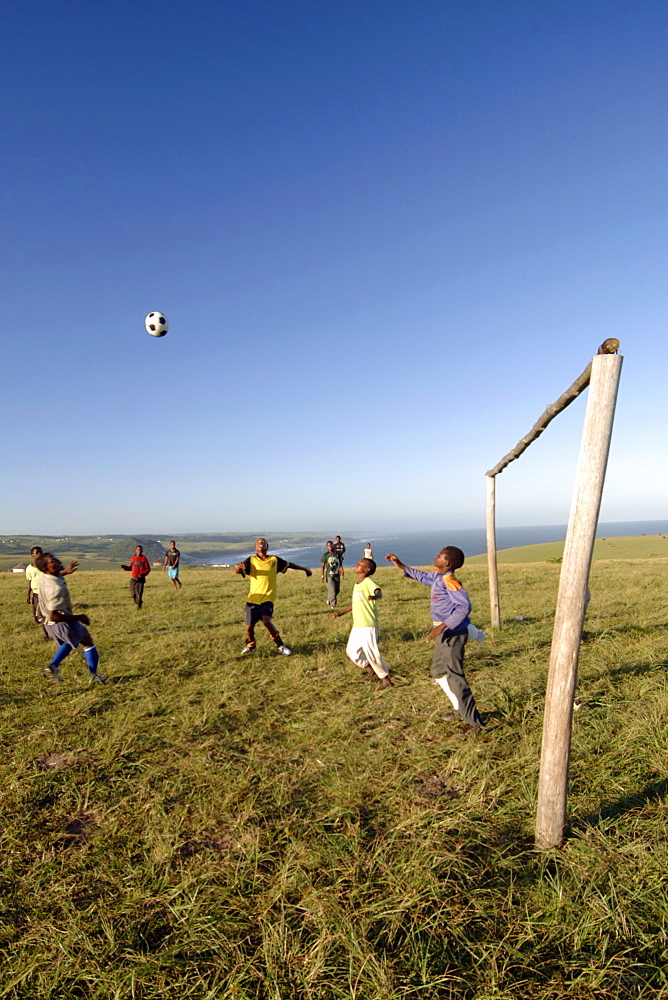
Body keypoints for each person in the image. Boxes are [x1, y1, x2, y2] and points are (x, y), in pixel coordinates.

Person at [386, 546, 483, 729]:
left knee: (455, 676)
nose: (436, 556)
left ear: (447, 562)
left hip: (452, 633)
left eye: (439, 555)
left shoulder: (450, 580)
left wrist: (443, 626)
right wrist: (400, 565)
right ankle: (459, 708)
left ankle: (475, 722)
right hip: (445, 633)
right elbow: (422, 577)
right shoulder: (438, 575)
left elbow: (464, 606)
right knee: (438, 671)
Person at [235, 537, 312, 655]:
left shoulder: (274, 560)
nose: (261, 543)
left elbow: (289, 564)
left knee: (266, 621)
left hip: (267, 598)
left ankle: (280, 645)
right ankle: (251, 644)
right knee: (249, 628)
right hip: (253, 599)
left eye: (263, 542)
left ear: (267, 546)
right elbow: (239, 571)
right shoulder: (251, 560)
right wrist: (238, 568)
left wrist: (304, 569)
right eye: (258, 543)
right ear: (255, 547)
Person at [36, 552, 105, 683]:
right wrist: (78, 617)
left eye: (55, 557)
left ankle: (54, 665)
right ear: (46, 568)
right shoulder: (56, 588)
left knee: (72, 641)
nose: (56, 560)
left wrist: (66, 572)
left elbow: (54, 577)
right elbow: (54, 615)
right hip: (62, 622)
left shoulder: (44, 575)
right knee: (87, 641)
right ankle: (93, 676)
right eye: (52, 561)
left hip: (47, 623)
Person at [332, 557, 392, 689]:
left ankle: (386, 679)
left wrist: (375, 596)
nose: (356, 565)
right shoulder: (357, 584)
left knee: (371, 652)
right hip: (358, 625)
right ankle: (372, 670)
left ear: (366, 569)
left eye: (359, 564)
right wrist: (340, 613)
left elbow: (379, 591)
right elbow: (355, 603)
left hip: (368, 624)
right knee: (351, 651)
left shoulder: (368, 581)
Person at [26, 545, 78, 640]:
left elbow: (55, 575)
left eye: (40, 552)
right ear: (32, 555)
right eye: (36, 552)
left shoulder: (45, 569)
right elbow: (30, 581)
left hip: (47, 594)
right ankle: (47, 635)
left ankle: (54, 633)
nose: (39, 554)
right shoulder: (30, 569)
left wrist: (65, 571)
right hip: (37, 594)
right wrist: (28, 595)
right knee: (43, 616)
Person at [320, 540, 342, 608]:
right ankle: (333, 605)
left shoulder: (337, 554)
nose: (330, 547)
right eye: (329, 546)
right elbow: (323, 566)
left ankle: (329, 599)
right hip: (329, 575)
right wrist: (322, 575)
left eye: (331, 545)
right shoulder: (325, 555)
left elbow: (340, 564)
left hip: (336, 574)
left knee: (337, 590)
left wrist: (342, 571)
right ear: (327, 547)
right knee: (332, 591)